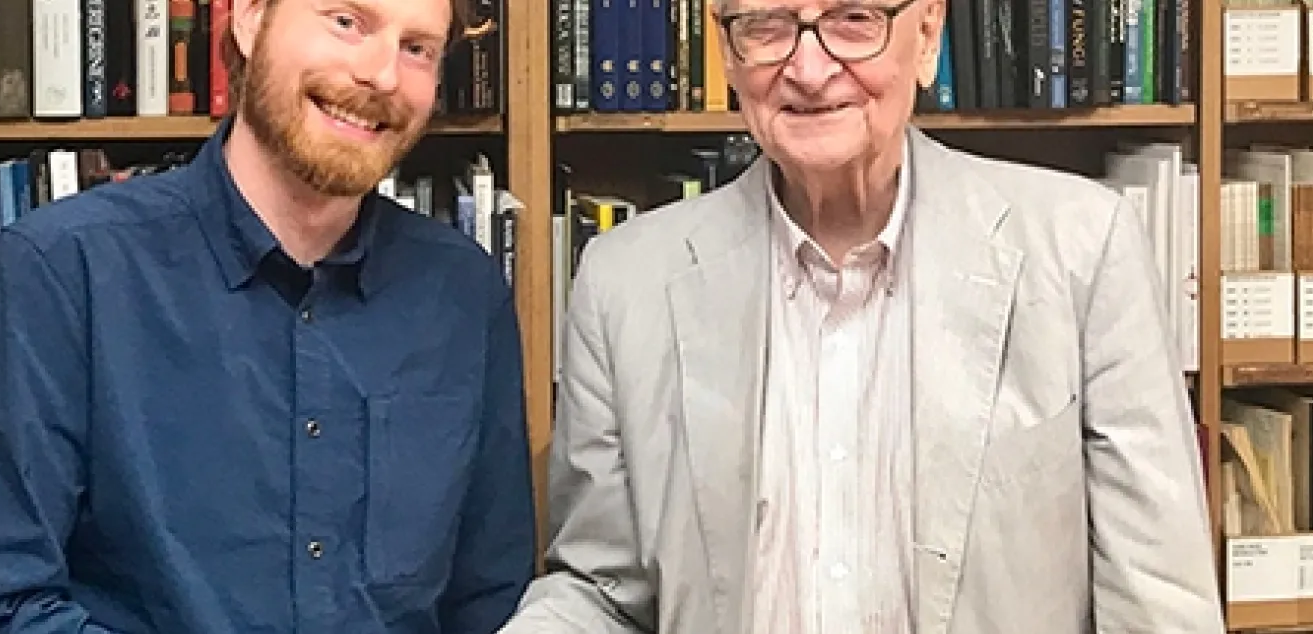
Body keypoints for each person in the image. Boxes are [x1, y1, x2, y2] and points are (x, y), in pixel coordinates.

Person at [501, 0, 1223, 631]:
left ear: (929, 32)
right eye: (767, 26)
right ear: (726, 51)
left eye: (855, 21)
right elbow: (604, 593)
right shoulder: (624, 284)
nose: (810, 70)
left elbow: (1158, 599)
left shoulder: (1081, 249)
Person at [0, 0, 534, 631]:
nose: (381, 74)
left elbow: (491, 605)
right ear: (247, 17)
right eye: (347, 21)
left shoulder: (463, 294)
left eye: (418, 49)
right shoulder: (63, 271)